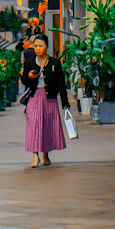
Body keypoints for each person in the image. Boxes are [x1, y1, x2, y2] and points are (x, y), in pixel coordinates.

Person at [19, 33, 69, 168]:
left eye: (41, 46)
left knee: (47, 126)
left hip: (50, 98)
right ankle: (35, 156)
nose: (38, 48)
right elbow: (24, 80)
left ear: (47, 46)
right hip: (34, 97)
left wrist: (65, 103)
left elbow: (61, 83)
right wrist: (29, 77)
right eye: (35, 46)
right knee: (33, 125)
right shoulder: (30, 61)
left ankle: (46, 154)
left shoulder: (54, 62)